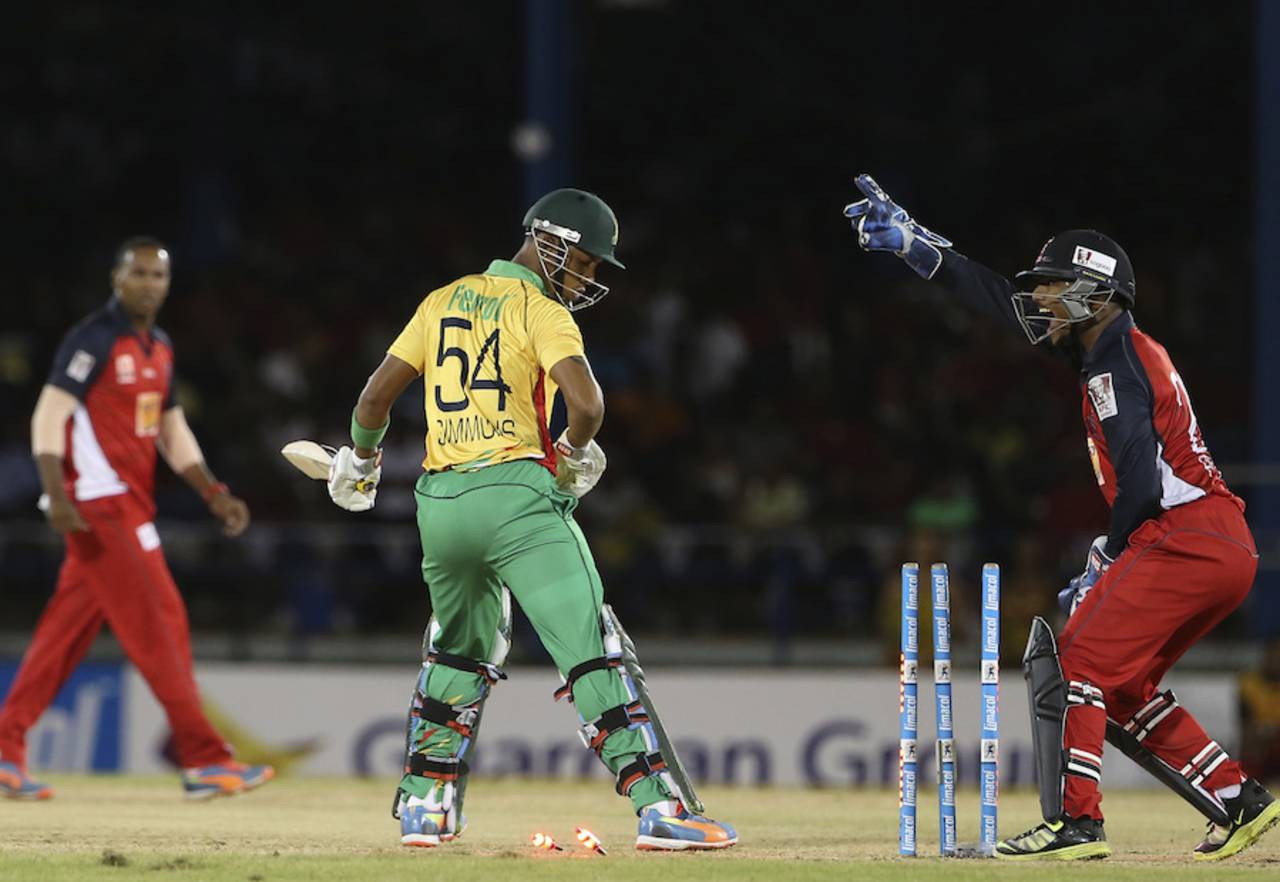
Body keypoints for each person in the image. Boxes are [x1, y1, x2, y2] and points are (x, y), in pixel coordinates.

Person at [844, 175, 1278, 861]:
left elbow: (1138, 478)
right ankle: (1240, 800)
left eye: (1053, 285)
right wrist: (919, 250)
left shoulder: (1115, 364)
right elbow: (1000, 303)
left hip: (1185, 536)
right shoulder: (1115, 347)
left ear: (1094, 293)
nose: (1040, 297)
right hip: (1221, 544)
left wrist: (1109, 554)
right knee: (1120, 689)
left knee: (1076, 659)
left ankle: (1078, 825)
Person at [326, 188, 737, 850]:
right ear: (554, 244)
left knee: (459, 651)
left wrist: (363, 463)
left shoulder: (441, 300)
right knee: (592, 650)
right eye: (589, 264)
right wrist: (573, 453)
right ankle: (660, 809)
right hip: (516, 497)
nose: (590, 278)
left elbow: (374, 397)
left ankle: (425, 806)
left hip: (441, 506)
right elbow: (589, 403)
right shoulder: (539, 309)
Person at [0, 238, 273, 801]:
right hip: (99, 508)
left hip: (127, 508)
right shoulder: (93, 339)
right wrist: (55, 494)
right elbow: (49, 415)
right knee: (160, 623)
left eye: (159, 275)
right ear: (117, 278)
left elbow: (171, 429)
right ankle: (204, 760)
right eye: (140, 273)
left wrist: (213, 491)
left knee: (63, 638)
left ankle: (4, 751)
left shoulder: (159, 347)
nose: (150, 284)